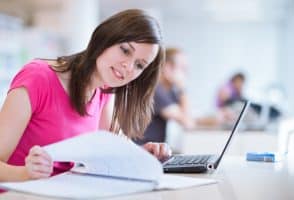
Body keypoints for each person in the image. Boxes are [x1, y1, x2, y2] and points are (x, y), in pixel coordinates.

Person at [0, 9, 171, 182]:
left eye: (140, 65)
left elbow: (116, 149)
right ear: (105, 38)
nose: (128, 67)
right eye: (125, 50)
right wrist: (26, 174)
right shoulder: (38, 77)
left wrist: (144, 154)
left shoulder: (104, 90)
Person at [134, 48, 218, 145]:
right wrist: (182, 89)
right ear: (167, 68)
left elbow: (188, 117)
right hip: (143, 149)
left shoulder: (168, 91)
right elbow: (187, 122)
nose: (186, 74)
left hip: (153, 149)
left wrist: (213, 119)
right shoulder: (155, 90)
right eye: (182, 68)